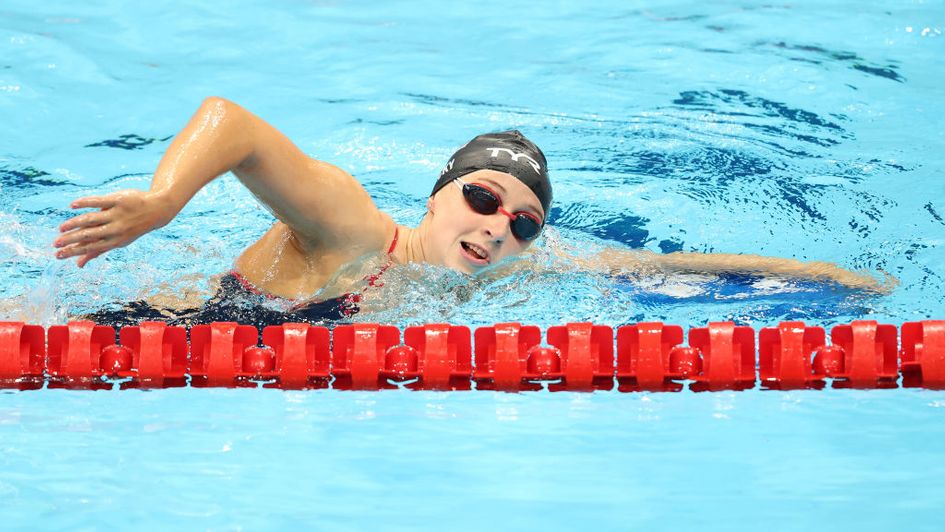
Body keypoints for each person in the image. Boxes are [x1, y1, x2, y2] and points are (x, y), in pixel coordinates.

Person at [53, 97, 890, 326]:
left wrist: (811, 274)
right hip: (145, 327)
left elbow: (659, 270)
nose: (498, 226)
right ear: (436, 196)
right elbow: (230, 121)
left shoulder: (512, 273)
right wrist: (165, 201)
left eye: (524, 222)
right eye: (483, 199)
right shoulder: (350, 224)